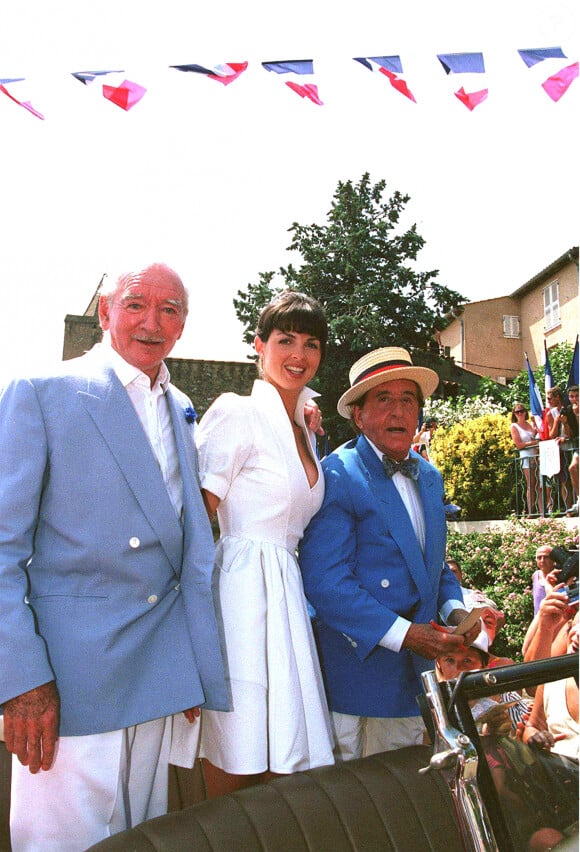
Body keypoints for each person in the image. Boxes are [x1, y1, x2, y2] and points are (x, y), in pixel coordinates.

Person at [0, 262, 229, 851]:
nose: (152, 323)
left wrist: (193, 665)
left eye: (170, 309)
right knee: (61, 841)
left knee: (138, 838)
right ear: (104, 313)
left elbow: (188, 551)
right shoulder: (41, 391)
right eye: (135, 305)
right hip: (71, 680)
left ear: (183, 326)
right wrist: (22, 680)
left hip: (155, 667)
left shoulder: (179, 402)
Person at [299, 347, 480, 759]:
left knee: (407, 802)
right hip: (358, 682)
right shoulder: (338, 473)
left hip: (417, 680)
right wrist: (407, 635)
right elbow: (326, 583)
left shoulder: (429, 475)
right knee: (360, 806)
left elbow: (434, 569)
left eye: (408, 400)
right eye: (384, 399)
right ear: (358, 415)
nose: (398, 412)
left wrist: (457, 613)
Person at [195, 291, 335, 798]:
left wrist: (305, 413)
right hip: (240, 594)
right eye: (285, 340)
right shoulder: (237, 412)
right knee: (238, 743)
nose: (298, 354)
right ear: (259, 345)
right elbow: (197, 518)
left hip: (285, 593)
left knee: (286, 758)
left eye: (311, 343)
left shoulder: (306, 427)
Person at [509, 402, 539, 516]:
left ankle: (541, 511)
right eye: (517, 412)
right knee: (530, 484)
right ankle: (530, 511)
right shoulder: (514, 426)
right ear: (514, 414)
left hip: (536, 455)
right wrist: (533, 443)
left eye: (522, 411)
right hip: (526, 456)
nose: (520, 413)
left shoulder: (530, 424)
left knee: (539, 484)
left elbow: (536, 435)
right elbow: (519, 444)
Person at [531, 545, 561, 614]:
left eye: (546, 557)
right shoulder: (535, 575)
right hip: (539, 620)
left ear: (553, 559)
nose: (542, 560)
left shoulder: (560, 576)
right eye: (539, 557)